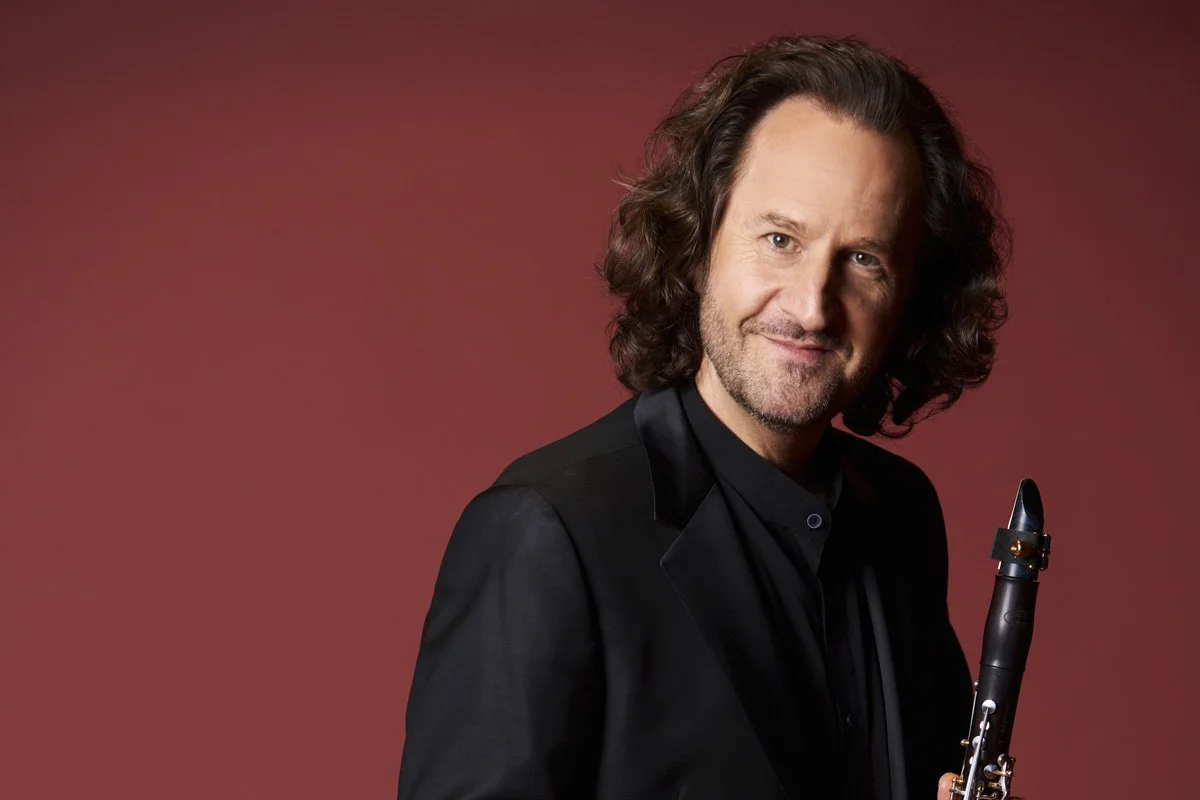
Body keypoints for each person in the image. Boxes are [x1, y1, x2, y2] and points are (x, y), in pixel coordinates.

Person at [397, 34, 1010, 800]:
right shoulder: (546, 535)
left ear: (910, 296)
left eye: (864, 260)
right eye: (780, 240)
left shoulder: (903, 516)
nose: (811, 307)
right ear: (697, 246)